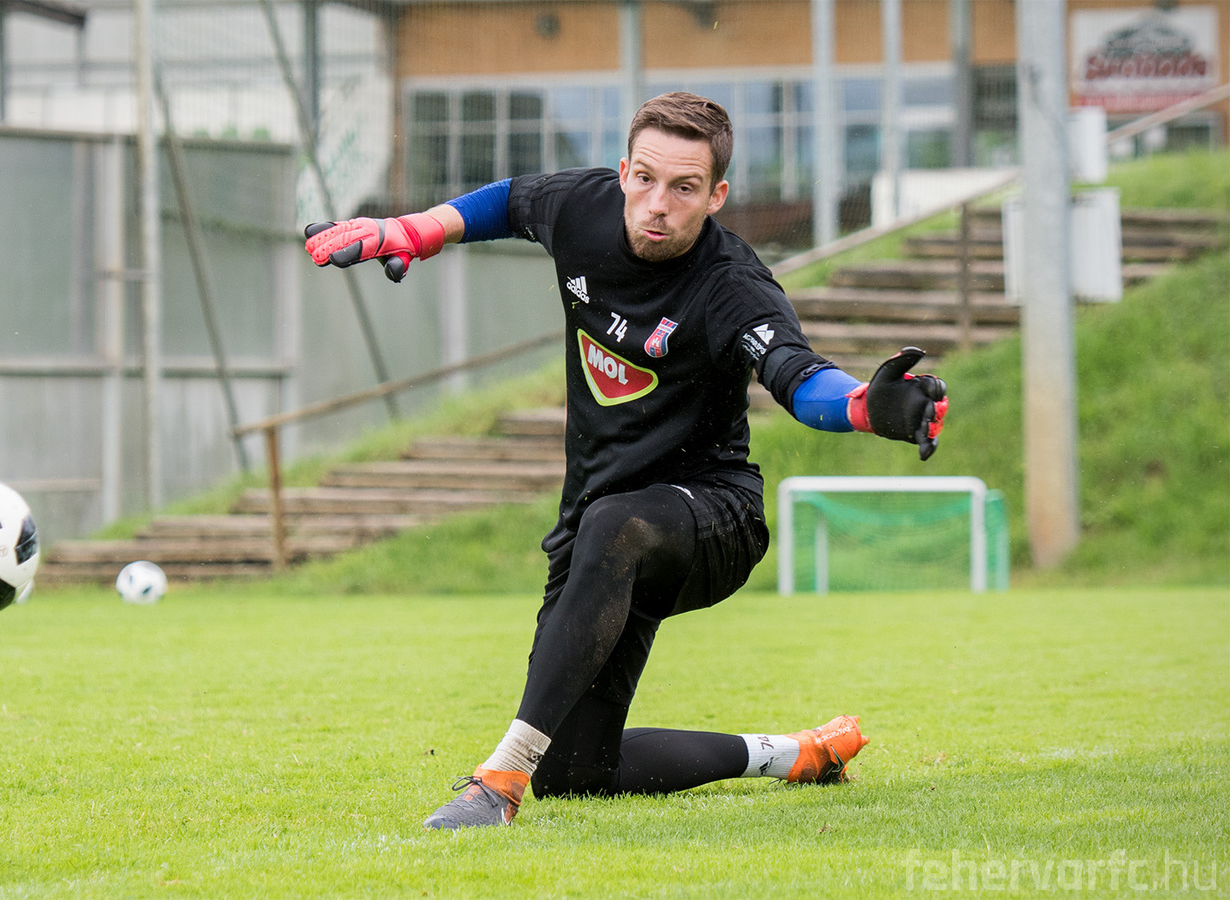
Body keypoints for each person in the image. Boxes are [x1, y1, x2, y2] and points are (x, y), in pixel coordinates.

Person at [303, 92, 948, 829]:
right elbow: (510, 201)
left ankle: (497, 783)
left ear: (717, 196)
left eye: (684, 188)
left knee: (615, 526)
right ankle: (793, 754)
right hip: (596, 533)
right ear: (622, 173)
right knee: (577, 772)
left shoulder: (731, 284)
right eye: (645, 179)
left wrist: (861, 405)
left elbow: (795, 374)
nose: (658, 204)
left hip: (711, 519)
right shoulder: (582, 209)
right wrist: (414, 230)